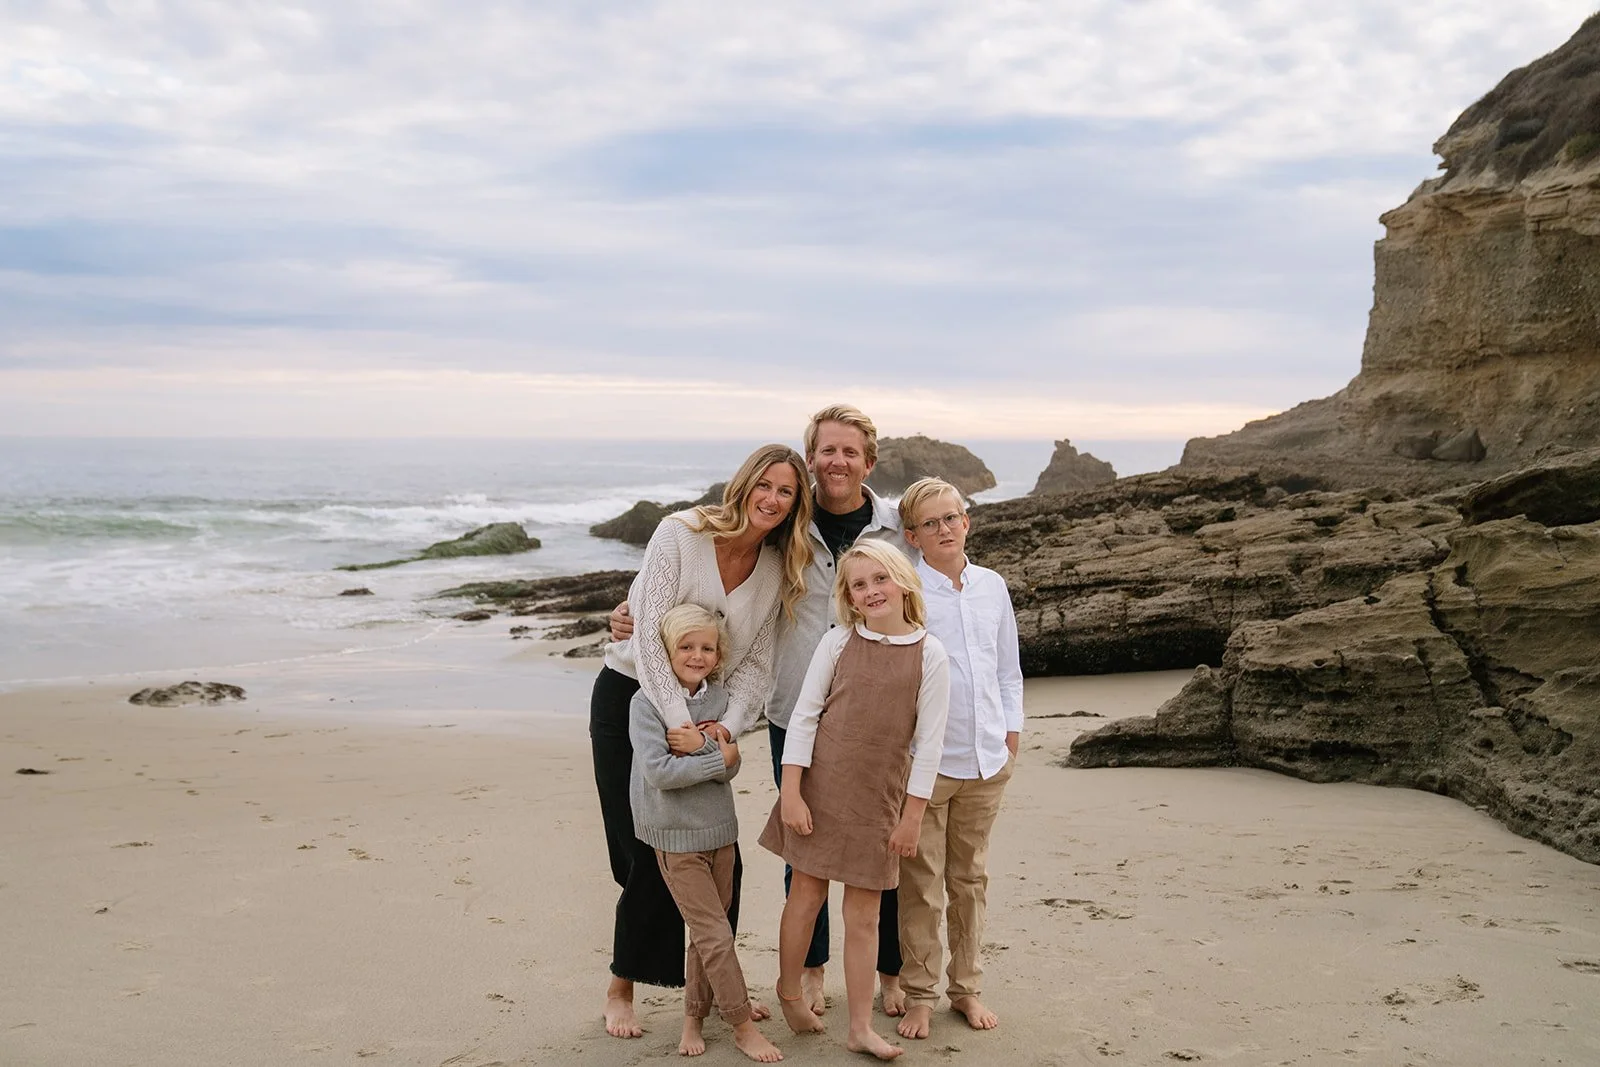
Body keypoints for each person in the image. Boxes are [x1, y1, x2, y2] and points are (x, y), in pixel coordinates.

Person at [609, 405, 914, 1019]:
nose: (838, 462)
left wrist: (721, 723)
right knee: (662, 851)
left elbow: (930, 580)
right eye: (826, 451)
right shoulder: (716, 535)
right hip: (697, 702)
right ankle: (636, 984)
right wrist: (673, 707)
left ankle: (881, 973)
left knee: (864, 846)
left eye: (850, 452)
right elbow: (651, 627)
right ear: (808, 461)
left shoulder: (867, 535)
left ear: (869, 462)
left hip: (844, 712)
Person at [590, 443, 813, 1039]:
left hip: (708, 718)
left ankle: (716, 986)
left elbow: (757, 663)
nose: (771, 498)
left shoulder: (774, 565)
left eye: (786, 491)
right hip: (632, 699)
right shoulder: (679, 534)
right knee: (645, 853)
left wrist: (727, 725)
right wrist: (674, 722)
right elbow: (647, 636)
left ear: (796, 504)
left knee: (720, 859)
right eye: (763, 484)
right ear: (742, 486)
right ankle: (622, 984)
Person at [758, 540, 950, 1061]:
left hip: (879, 800)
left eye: (879, 580)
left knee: (864, 915)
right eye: (858, 585)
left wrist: (912, 819)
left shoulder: (930, 654)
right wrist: (792, 793)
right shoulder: (838, 642)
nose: (870, 591)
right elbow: (803, 717)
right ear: (847, 595)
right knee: (805, 896)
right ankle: (790, 990)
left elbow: (927, 748)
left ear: (903, 582)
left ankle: (860, 1027)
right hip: (820, 790)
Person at [891, 478, 1024, 1041]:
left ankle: (966, 989)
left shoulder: (992, 586)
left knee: (970, 880)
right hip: (928, 765)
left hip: (988, 759)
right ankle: (919, 995)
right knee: (921, 886)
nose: (944, 528)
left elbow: (1007, 669)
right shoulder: (907, 592)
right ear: (912, 535)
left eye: (952, 517)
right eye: (931, 523)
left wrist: (1011, 735)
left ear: (967, 521)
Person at [629, 604, 784, 1062]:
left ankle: (694, 1016)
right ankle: (740, 1025)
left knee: (706, 935)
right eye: (686, 646)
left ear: (719, 655)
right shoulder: (646, 703)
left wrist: (708, 755)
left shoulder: (720, 703)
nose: (697, 656)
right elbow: (659, 772)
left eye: (707, 648)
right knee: (715, 933)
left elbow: (727, 775)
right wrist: (721, 757)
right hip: (676, 838)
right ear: (667, 650)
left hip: (721, 833)